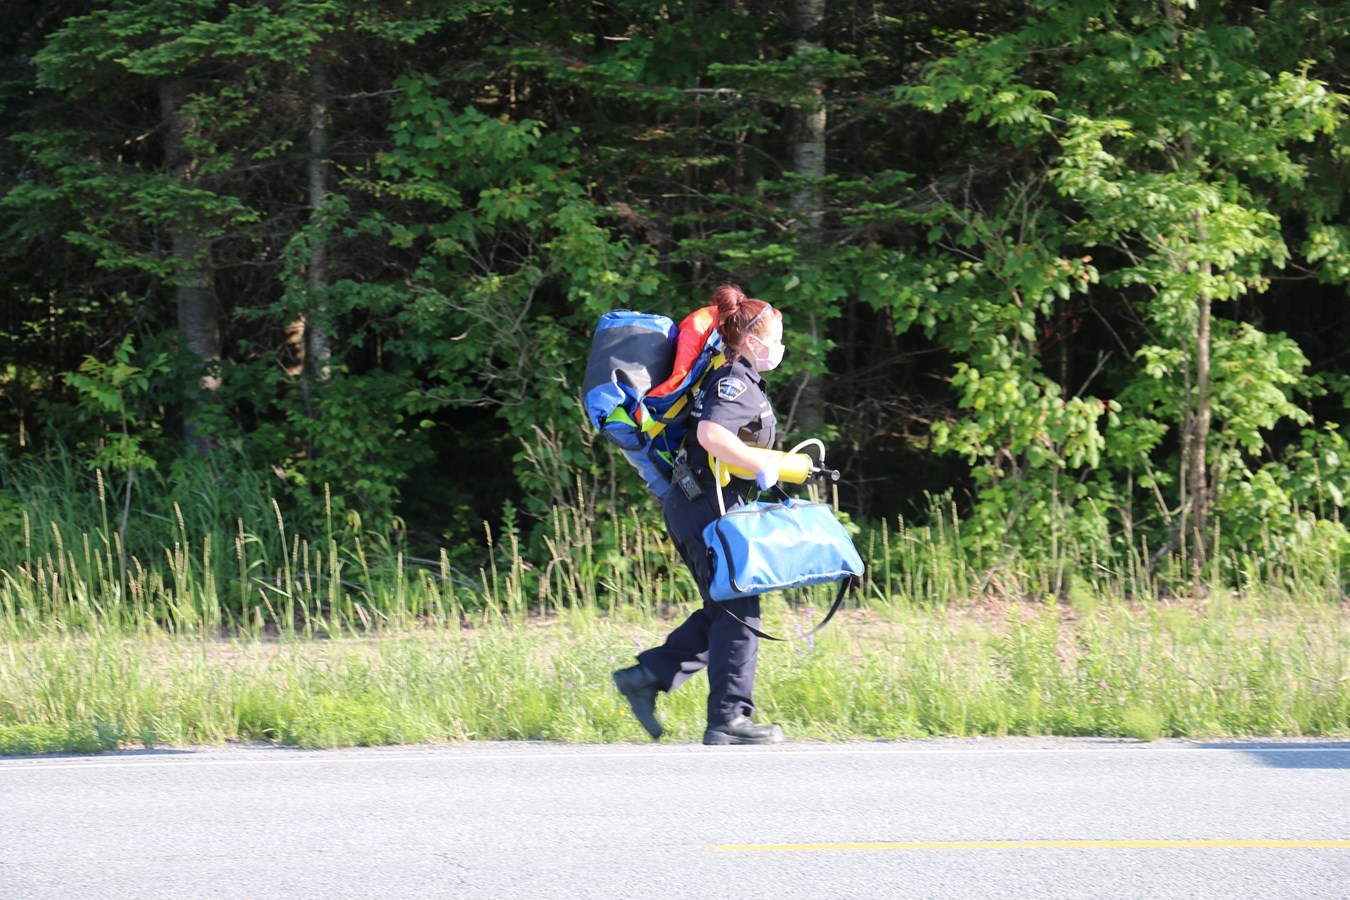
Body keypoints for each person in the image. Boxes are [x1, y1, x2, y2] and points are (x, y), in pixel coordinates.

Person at [612, 283, 788, 745]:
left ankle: (648, 677)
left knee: (727, 609)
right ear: (751, 341)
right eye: (776, 340)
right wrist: (760, 464)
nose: (781, 349)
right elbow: (712, 433)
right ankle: (728, 719)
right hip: (705, 507)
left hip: (697, 504)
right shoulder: (734, 380)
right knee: (739, 609)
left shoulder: (732, 376)